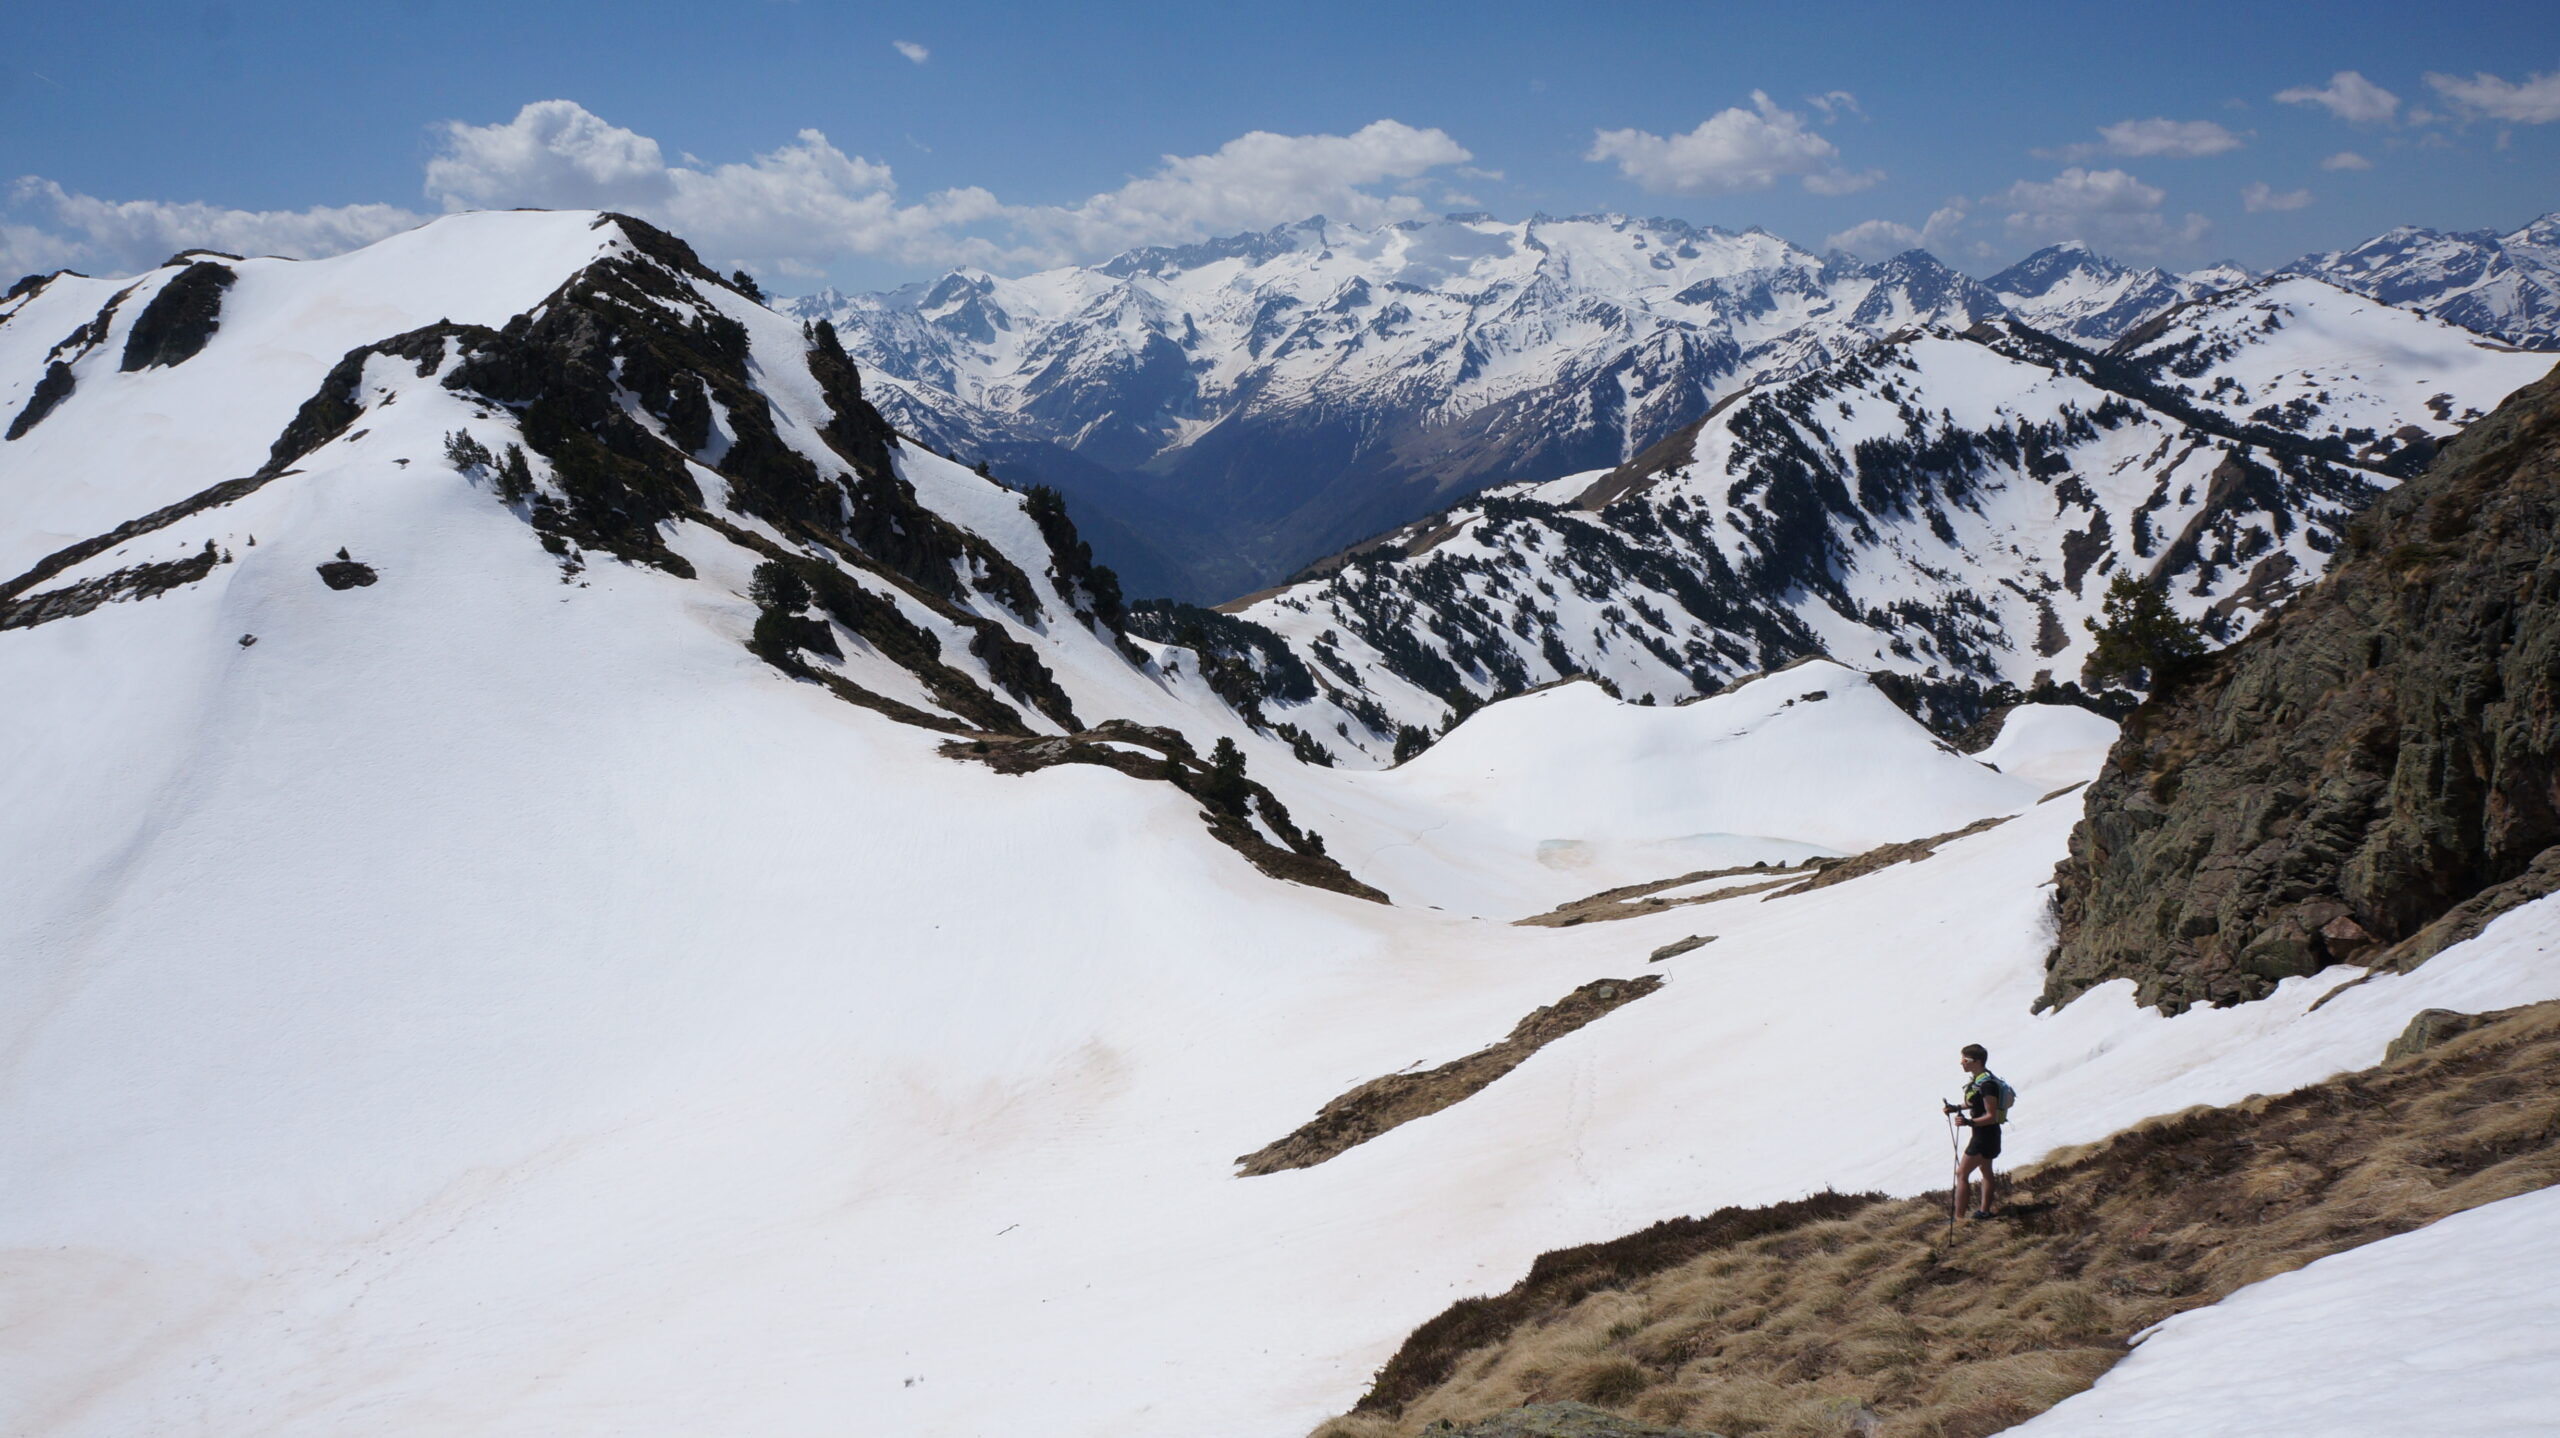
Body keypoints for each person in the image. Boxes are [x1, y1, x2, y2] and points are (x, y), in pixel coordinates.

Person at [1944, 1043, 2004, 1219]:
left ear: (1977, 1062)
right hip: (1988, 1134)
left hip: (1984, 1136)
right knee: (1986, 1171)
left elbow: (1991, 1116)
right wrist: (1956, 1107)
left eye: (1965, 1060)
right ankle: (1984, 1212)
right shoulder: (1981, 1080)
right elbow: (1975, 1103)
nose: (1961, 1063)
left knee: (1961, 1173)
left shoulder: (1987, 1085)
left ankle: (1959, 1218)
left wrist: (1969, 1122)